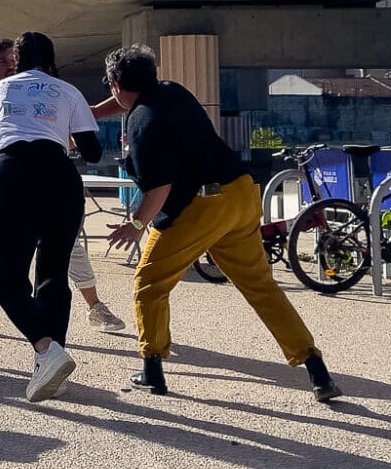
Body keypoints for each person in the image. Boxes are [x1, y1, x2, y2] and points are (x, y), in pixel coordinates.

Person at [98, 45, 342, 401]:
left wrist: (135, 225)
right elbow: (123, 102)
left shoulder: (141, 122)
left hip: (201, 206)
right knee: (261, 287)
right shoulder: (172, 90)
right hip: (241, 193)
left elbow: (159, 188)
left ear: (116, 83)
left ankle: (152, 370)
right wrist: (89, 113)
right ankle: (317, 370)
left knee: (150, 285)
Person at [0, 39, 125, 338]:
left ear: (20, 59)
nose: (8, 66)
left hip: (17, 177)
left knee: (40, 268)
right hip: (7, 180)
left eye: (12, 60)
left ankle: (83, 315)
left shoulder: (27, 90)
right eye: (2, 62)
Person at [0, 32, 101, 401]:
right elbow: (94, 152)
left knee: (5, 280)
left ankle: (46, 351)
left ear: (16, 59)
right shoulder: (68, 92)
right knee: (52, 274)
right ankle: (52, 366)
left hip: (15, 174)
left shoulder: (0, 89)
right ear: (53, 58)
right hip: (61, 177)